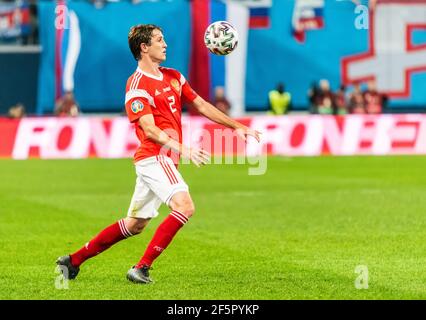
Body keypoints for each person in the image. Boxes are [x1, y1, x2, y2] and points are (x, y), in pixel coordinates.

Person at [56, 24, 260, 284]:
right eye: (159, 40)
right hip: (155, 156)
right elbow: (149, 129)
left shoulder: (173, 76)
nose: (165, 44)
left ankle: (72, 261)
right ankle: (141, 268)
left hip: (163, 158)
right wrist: (183, 148)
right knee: (185, 206)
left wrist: (237, 126)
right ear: (144, 47)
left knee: (135, 224)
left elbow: (201, 104)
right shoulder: (136, 85)